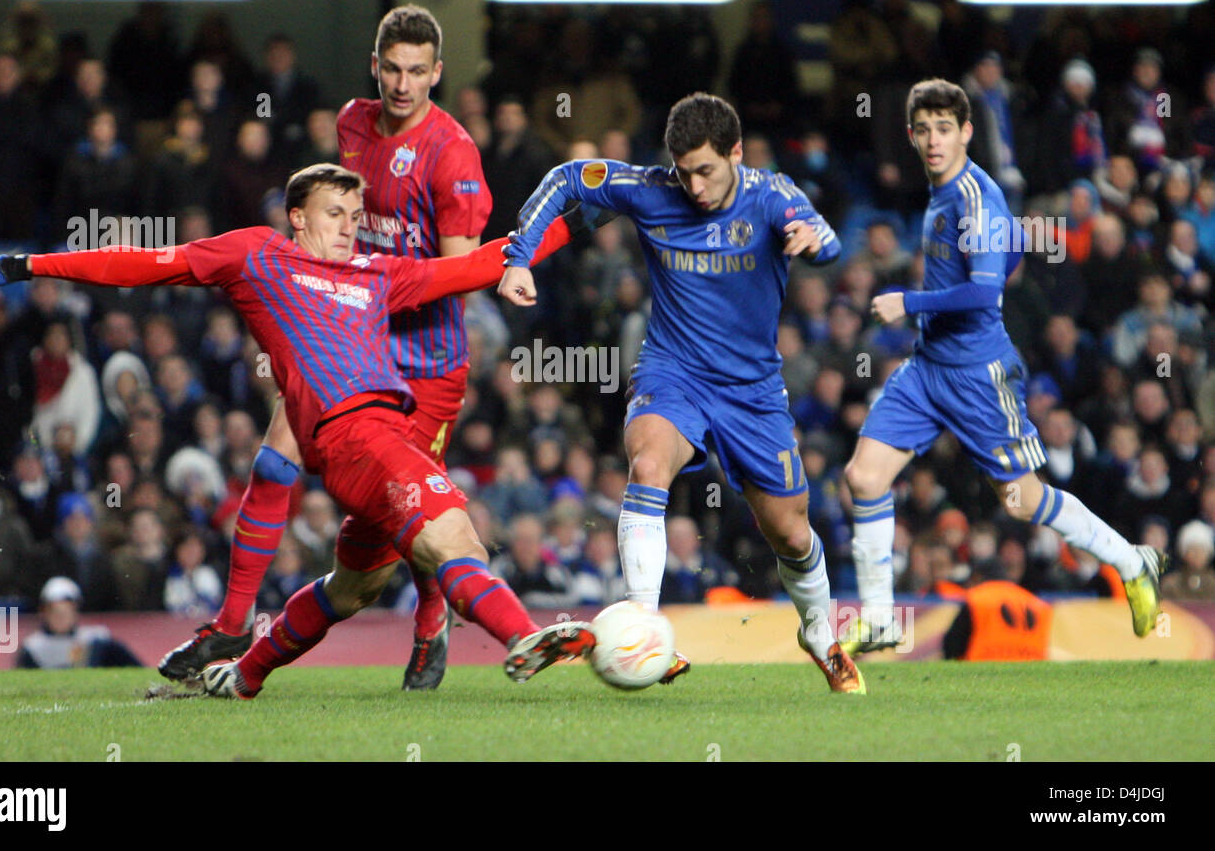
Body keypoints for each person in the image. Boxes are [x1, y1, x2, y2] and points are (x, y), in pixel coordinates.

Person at [0, 162, 601, 698]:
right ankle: (521, 636)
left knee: (353, 588)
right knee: (455, 536)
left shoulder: (379, 275)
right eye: (333, 214)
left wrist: (581, 218)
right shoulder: (257, 255)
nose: (349, 228)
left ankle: (245, 674)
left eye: (354, 215)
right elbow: (145, 263)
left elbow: (479, 265)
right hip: (356, 436)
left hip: (384, 440)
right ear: (297, 217)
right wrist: (33, 265)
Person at [159, 5, 493, 692]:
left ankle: (432, 617)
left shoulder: (452, 151)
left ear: (438, 72)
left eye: (417, 72)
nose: (403, 85)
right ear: (376, 67)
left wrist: (380, 279)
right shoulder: (349, 123)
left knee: (406, 512)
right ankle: (231, 619)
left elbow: (460, 273)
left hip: (425, 359)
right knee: (277, 451)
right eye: (392, 70)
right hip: (347, 337)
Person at [500, 93, 864, 693]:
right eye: (683, 170)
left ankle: (819, 633)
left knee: (793, 534)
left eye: (706, 170)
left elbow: (826, 240)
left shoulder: (772, 195)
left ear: (737, 153)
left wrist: (811, 240)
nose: (693, 186)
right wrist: (519, 259)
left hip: (752, 391)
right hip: (672, 372)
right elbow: (567, 179)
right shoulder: (651, 188)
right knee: (647, 464)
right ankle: (643, 623)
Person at [840, 79, 1168, 657]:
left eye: (946, 129)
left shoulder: (975, 198)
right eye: (924, 130)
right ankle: (881, 617)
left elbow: (986, 292)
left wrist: (908, 302)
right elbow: (1007, 251)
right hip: (926, 368)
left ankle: (1131, 560)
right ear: (912, 136)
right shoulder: (943, 193)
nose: (934, 140)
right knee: (863, 478)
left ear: (967, 132)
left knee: (1021, 500)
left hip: (976, 374)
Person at [17, 577, 141, 669]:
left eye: (66, 612)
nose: (61, 618)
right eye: (56, 613)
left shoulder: (94, 640)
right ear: (44, 613)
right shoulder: (33, 648)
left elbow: (136, 667)